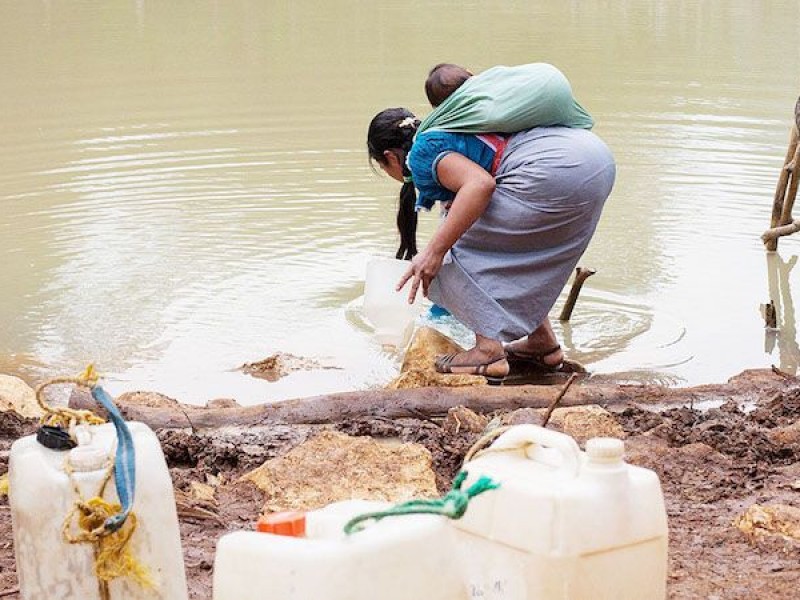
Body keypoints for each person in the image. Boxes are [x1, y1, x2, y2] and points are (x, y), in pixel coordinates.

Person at [367, 95, 614, 383]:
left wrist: (435, 252)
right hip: (592, 160)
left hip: (554, 172)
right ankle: (542, 344)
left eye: (385, 169)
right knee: (513, 251)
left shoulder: (426, 154)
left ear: (389, 157)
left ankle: (488, 352)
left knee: (448, 247)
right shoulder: (451, 130)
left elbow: (480, 184)